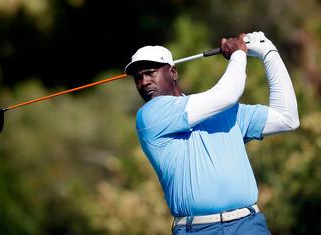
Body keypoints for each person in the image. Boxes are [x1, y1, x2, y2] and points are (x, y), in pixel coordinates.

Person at [124, 32, 299, 235]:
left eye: (150, 72)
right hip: (197, 229)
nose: (144, 82)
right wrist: (238, 54)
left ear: (173, 72)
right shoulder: (150, 115)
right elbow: (227, 94)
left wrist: (268, 52)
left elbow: (287, 118)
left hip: (248, 225)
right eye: (138, 77)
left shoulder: (227, 111)